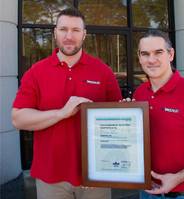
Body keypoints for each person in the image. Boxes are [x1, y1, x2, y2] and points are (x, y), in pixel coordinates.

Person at [12, 7, 122, 199]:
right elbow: (18, 119)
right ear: (55, 32)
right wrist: (61, 113)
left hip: (95, 176)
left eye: (76, 30)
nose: (69, 36)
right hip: (51, 178)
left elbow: (118, 123)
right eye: (63, 29)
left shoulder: (103, 72)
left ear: (84, 34)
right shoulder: (36, 72)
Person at [133, 30, 184, 199]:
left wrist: (178, 178)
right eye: (145, 54)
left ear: (171, 54)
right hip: (146, 192)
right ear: (139, 58)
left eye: (158, 52)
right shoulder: (139, 93)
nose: (151, 59)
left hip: (183, 195)